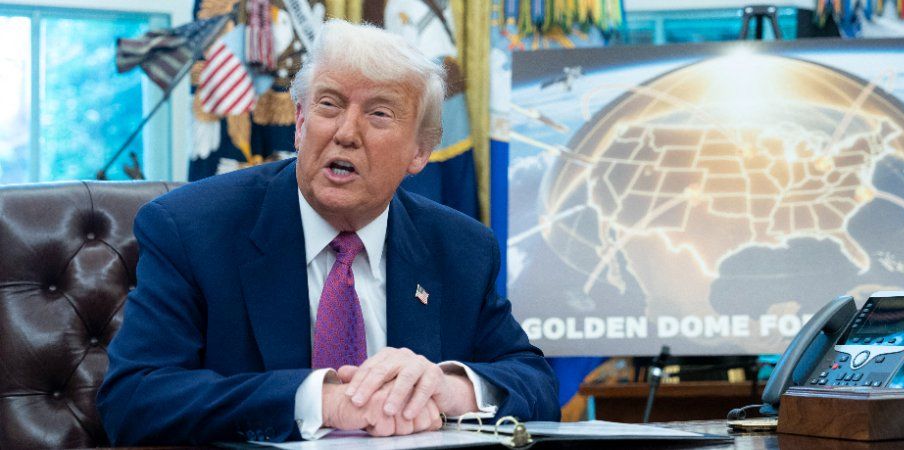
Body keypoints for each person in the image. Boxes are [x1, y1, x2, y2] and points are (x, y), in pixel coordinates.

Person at [96, 19, 559, 445]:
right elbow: (134, 400)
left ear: (420, 152)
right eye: (329, 104)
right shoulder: (192, 229)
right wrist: (322, 401)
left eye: (379, 114)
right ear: (300, 123)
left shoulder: (460, 248)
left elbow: (535, 382)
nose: (346, 133)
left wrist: (447, 388)